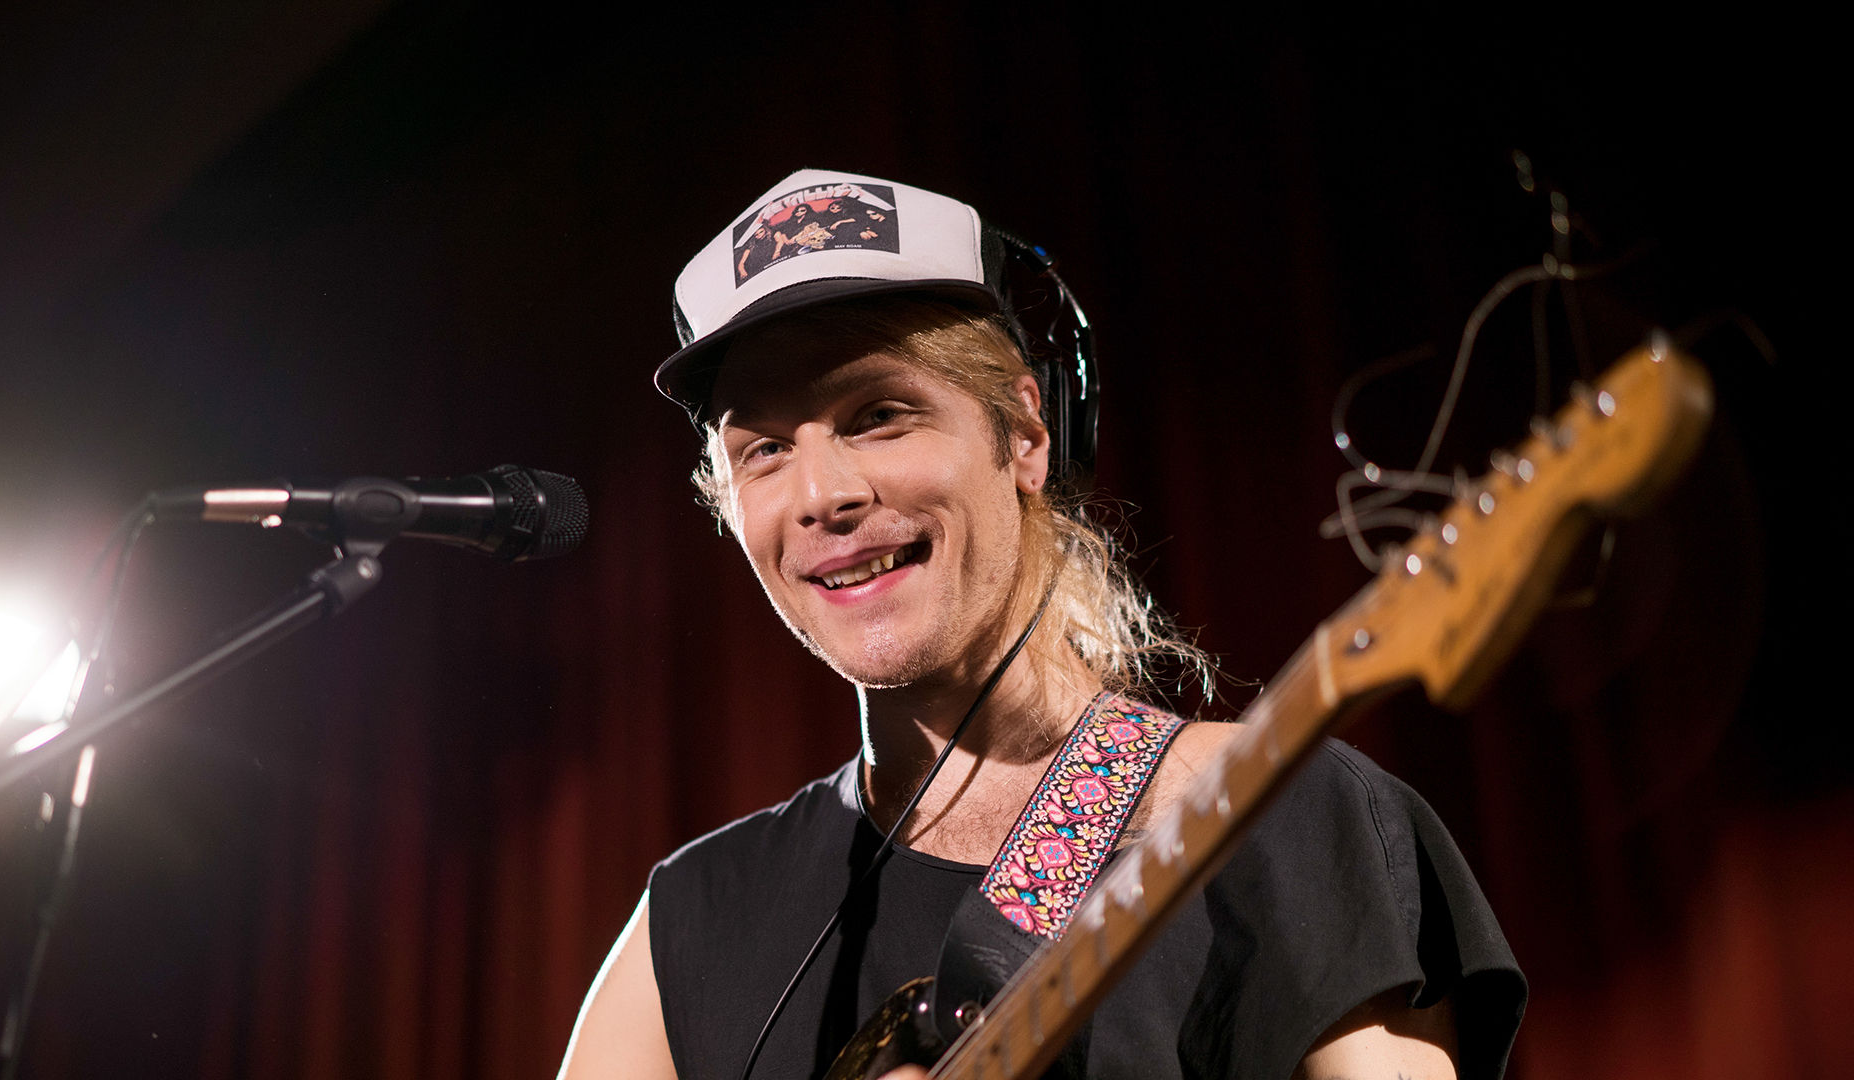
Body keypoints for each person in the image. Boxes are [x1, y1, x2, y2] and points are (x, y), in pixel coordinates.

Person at [560, 170, 1525, 1079]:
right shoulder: (690, 922)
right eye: (765, 448)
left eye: (878, 414)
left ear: (1025, 434)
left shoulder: (1279, 814)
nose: (821, 494)